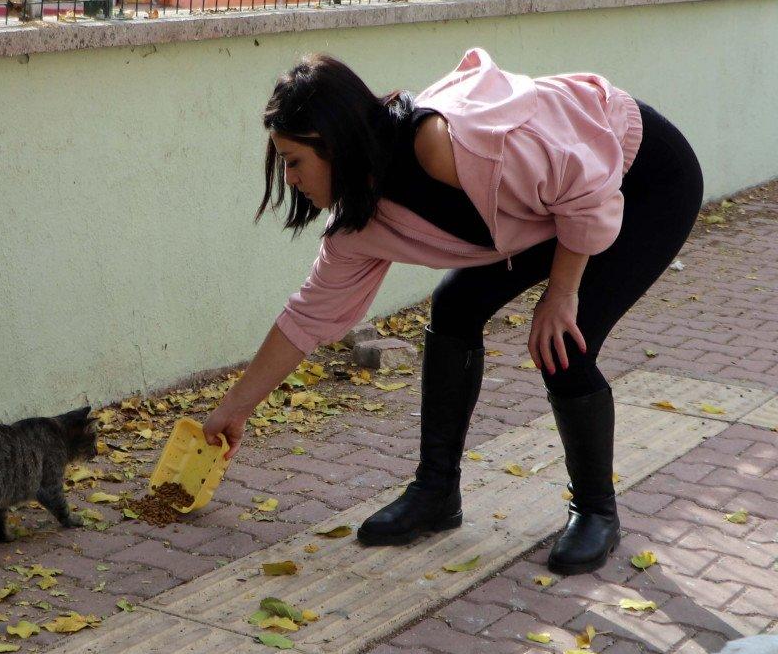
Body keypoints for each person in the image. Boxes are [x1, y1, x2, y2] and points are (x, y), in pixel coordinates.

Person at [202, 48, 703, 576]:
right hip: (559, 204)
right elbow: (307, 317)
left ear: (333, 143)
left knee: (565, 342)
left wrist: (561, 294)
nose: (289, 177)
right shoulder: (358, 223)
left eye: (294, 161)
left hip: (640, 175)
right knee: (455, 307)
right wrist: (235, 408)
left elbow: (583, 189)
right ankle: (436, 492)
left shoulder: (440, 144)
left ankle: (596, 511)